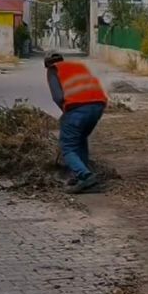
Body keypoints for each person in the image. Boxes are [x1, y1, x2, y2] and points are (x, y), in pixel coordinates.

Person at [44, 51, 108, 194]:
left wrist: (66, 114)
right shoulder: (77, 66)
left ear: (47, 64)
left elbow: (58, 97)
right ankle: (83, 177)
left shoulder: (53, 70)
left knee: (68, 146)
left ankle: (85, 175)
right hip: (98, 106)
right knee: (80, 139)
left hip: (78, 108)